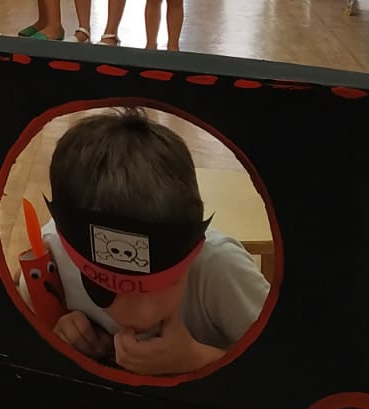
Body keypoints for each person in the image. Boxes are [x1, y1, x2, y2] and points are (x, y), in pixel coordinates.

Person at [22, 108, 269, 376]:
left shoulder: (220, 268)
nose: (144, 315)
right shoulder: (52, 258)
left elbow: (290, 369)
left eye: (169, 282)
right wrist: (60, 329)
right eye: (109, 288)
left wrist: (197, 359)